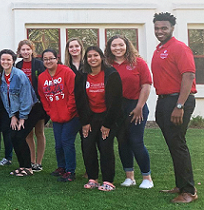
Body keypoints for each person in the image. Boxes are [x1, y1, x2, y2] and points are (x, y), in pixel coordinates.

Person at [151, 12, 198, 203]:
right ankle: (180, 185)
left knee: (178, 144)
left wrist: (179, 105)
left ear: (172, 28)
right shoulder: (159, 48)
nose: (160, 31)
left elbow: (188, 76)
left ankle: (189, 191)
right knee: (173, 144)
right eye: (156, 28)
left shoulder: (179, 48)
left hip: (178, 101)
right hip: (163, 100)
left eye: (164, 28)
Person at [104, 35, 154, 189]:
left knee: (136, 141)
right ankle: (129, 177)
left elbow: (146, 85)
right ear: (109, 48)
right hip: (117, 108)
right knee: (123, 141)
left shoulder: (138, 62)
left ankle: (147, 177)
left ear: (127, 45)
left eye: (121, 45)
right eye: (114, 45)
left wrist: (139, 107)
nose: (117, 48)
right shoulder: (107, 65)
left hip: (136, 106)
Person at [75, 46, 123, 191]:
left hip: (107, 117)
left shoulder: (112, 74)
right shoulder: (81, 76)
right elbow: (79, 100)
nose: (92, 58)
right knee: (87, 146)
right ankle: (93, 178)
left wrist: (107, 124)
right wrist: (84, 122)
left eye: (95, 55)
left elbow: (116, 102)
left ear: (102, 57)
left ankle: (108, 181)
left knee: (105, 147)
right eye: (89, 56)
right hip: (89, 117)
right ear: (86, 59)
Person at [0, 49, 43, 177]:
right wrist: (12, 116)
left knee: (20, 136)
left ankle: (28, 167)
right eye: (3, 59)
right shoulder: (1, 76)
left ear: (13, 61)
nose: (5, 62)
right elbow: (5, 99)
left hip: (32, 109)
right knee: (13, 137)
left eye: (8, 59)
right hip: (16, 111)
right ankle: (22, 166)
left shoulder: (19, 75)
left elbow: (26, 97)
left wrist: (22, 118)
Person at [37, 49, 79, 182]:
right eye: (45, 59)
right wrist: (50, 111)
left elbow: (74, 93)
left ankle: (70, 171)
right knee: (58, 144)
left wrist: (69, 110)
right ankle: (61, 167)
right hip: (56, 116)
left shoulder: (67, 72)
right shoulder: (42, 77)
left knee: (67, 141)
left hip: (72, 116)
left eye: (51, 58)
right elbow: (43, 96)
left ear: (57, 59)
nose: (48, 61)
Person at [15, 39, 47, 172]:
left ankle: (38, 162)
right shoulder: (17, 66)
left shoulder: (39, 65)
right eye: (23, 49)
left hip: (38, 104)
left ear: (32, 50)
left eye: (28, 49)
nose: (26, 52)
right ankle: (31, 160)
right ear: (19, 51)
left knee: (39, 132)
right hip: (24, 104)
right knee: (28, 133)